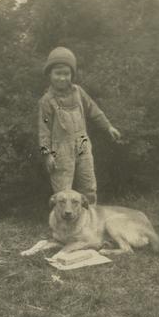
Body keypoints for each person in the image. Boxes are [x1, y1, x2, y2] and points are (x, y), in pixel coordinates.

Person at [38, 47, 121, 205]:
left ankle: (91, 223)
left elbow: (93, 109)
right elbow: (44, 130)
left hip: (83, 143)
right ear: (50, 74)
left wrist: (108, 126)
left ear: (72, 75)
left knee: (88, 185)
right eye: (58, 73)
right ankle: (64, 225)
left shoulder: (78, 92)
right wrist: (47, 154)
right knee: (63, 192)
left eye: (66, 74)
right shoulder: (46, 101)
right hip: (60, 149)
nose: (62, 78)